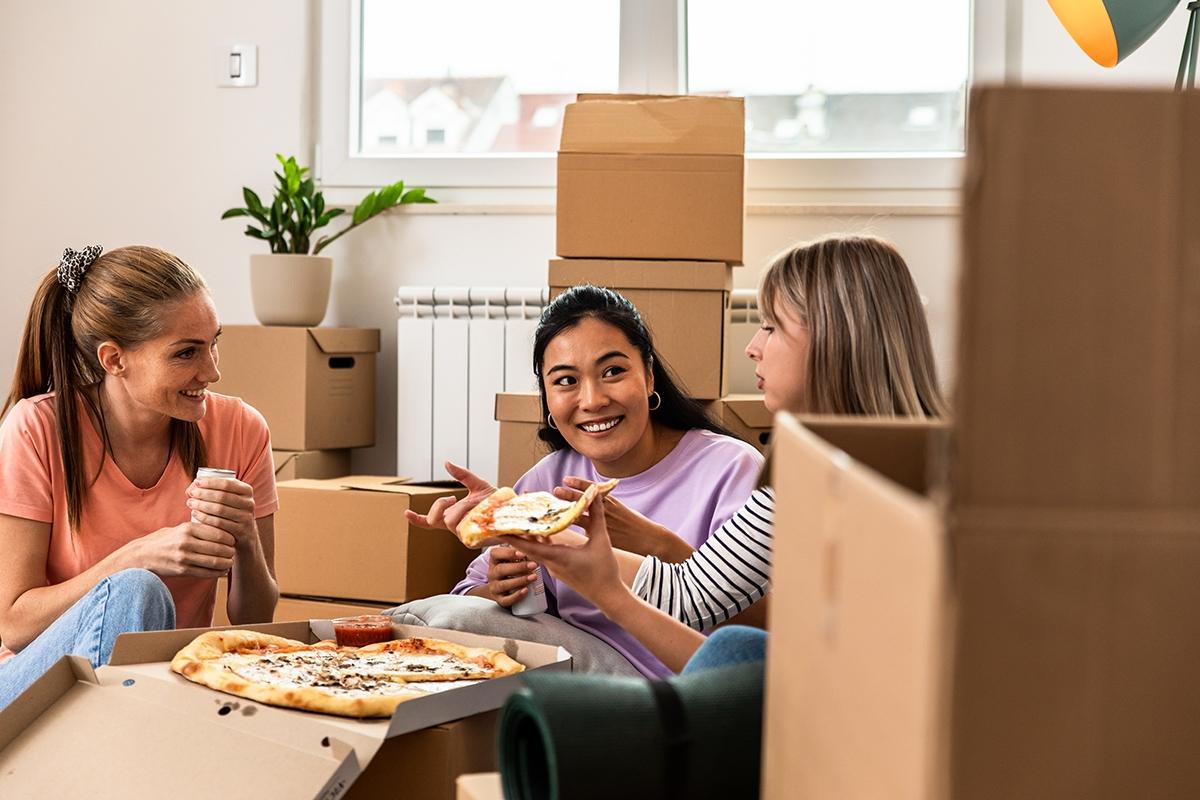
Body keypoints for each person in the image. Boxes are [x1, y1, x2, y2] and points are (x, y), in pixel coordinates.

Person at [503, 234, 949, 672]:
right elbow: (699, 597)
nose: (752, 346)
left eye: (772, 327)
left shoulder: (794, 472)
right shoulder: (947, 459)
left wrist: (546, 537)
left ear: (835, 341)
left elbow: (691, 601)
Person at [393, 284, 763, 678]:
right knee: (440, 616)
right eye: (566, 381)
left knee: (439, 620)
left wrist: (652, 543)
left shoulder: (731, 468)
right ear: (547, 399)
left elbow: (766, 631)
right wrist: (501, 587)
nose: (592, 400)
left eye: (613, 372)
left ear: (649, 377)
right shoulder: (548, 479)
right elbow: (469, 600)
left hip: (693, 682)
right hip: (578, 673)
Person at [0, 245, 279, 710]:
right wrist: (137, 556)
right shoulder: (35, 430)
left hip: (160, 689)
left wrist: (245, 538)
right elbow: (13, 624)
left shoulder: (241, 429)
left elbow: (255, 618)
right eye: (186, 353)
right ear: (114, 359)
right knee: (137, 588)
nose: (212, 371)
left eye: (214, 342)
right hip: (26, 687)